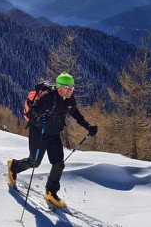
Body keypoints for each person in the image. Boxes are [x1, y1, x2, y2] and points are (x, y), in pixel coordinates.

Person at [7, 72, 98, 208]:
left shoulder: (69, 100)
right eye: (67, 87)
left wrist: (88, 126)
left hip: (54, 133)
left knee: (58, 164)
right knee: (34, 162)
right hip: (39, 132)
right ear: (59, 86)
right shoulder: (47, 96)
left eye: (72, 87)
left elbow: (76, 114)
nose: (70, 90)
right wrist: (39, 119)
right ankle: (13, 166)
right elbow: (32, 112)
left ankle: (51, 192)